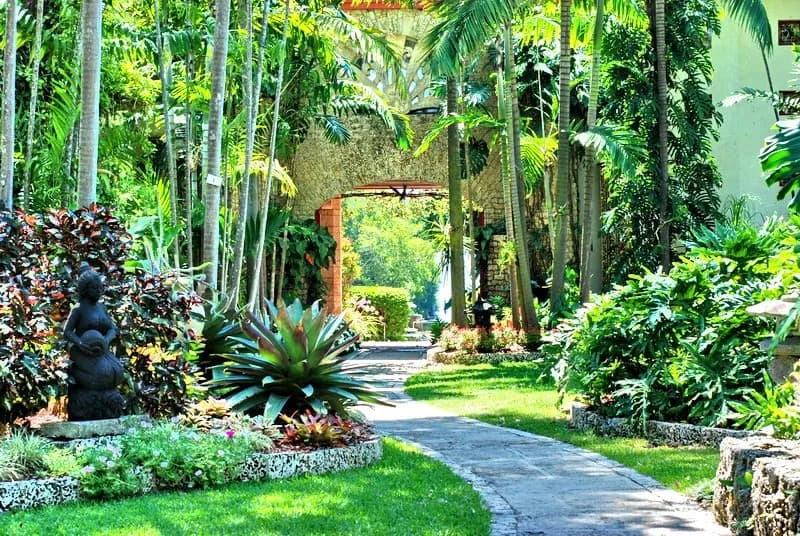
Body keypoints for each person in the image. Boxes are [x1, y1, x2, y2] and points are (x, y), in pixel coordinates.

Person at [63, 263, 126, 421]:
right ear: (85, 290)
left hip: (101, 351)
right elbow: (67, 331)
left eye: (100, 287)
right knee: (99, 376)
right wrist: (79, 343)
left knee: (117, 372)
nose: (99, 291)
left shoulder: (101, 308)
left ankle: (108, 403)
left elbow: (112, 329)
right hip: (83, 352)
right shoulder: (79, 308)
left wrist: (106, 340)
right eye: (94, 288)